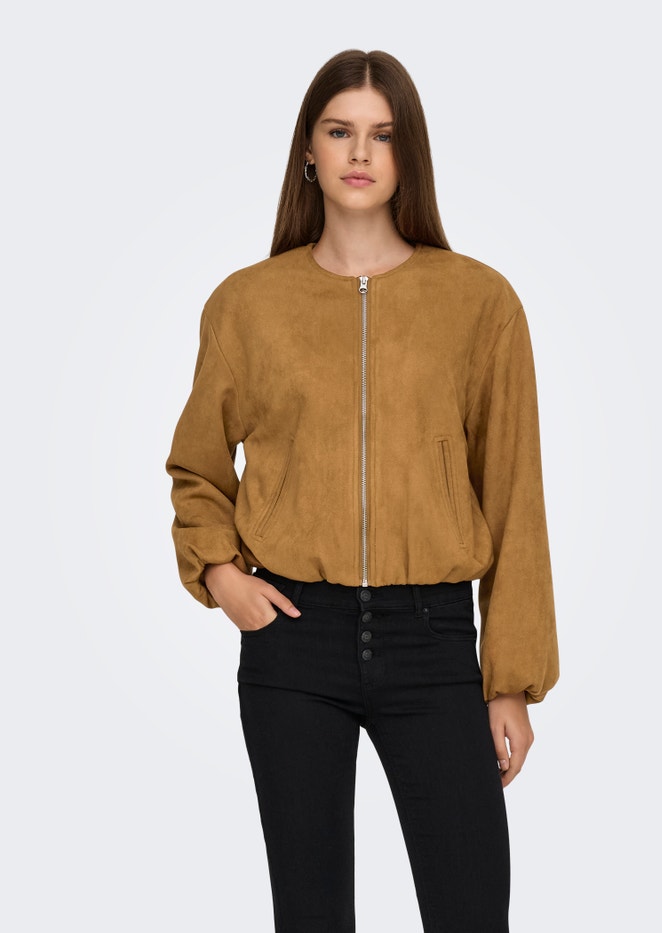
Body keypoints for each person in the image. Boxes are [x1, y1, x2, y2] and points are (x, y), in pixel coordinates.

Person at [165, 48, 559, 933]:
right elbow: (197, 466)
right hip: (293, 643)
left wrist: (510, 682)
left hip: (434, 642)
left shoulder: (480, 302)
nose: (359, 152)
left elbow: (515, 498)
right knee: (310, 915)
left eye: (382, 135)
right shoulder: (247, 305)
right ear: (309, 150)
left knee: (471, 909)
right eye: (340, 131)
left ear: (408, 153)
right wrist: (221, 573)